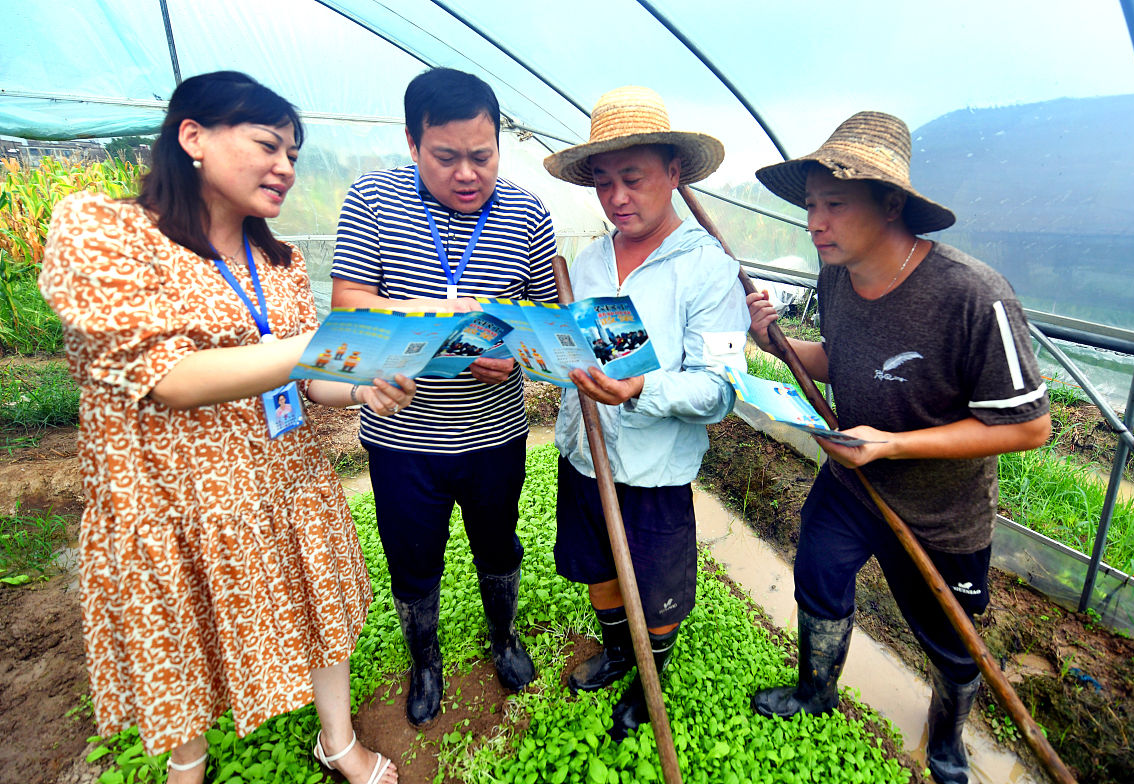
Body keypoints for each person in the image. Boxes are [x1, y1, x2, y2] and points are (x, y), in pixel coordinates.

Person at [38, 71, 411, 784]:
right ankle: (188, 766)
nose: (286, 168)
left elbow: (312, 379)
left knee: (321, 609)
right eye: (269, 144)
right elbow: (167, 378)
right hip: (171, 502)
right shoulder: (103, 231)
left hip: (287, 481)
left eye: (295, 155)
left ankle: (335, 740)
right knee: (179, 635)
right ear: (193, 137)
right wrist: (318, 349)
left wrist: (366, 384)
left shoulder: (279, 262)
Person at [745, 111, 1051, 784]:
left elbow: (1030, 426)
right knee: (819, 581)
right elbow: (842, 357)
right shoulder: (835, 274)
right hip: (852, 484)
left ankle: (946, 740)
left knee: (950, 637)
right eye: (810, 206)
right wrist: (778, 345)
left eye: (833, 206)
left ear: (890, 204)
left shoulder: (972, 295)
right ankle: (815, 691)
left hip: (942, 512)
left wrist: (894, 444)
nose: (813, 223)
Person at [331, 67, 556, 726]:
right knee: (413, 556)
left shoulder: (526, 212)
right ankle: (424, 659)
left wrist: (511, 350)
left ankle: (504, 638)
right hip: (403, 441)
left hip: (494, 434)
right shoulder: (372, 200)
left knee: (499, 545)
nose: (468, 173)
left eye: (482, 156)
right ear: (411, 141)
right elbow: (350, 307)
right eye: (446, 157)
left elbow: (541, 316)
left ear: (498, 144)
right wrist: (442, 314)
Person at [543, 86, 750, 740]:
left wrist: (640, 391)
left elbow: (720, 389)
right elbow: (589, 349)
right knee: (598, 569)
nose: (617, 198)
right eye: (603, 184)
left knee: (655, 590)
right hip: (586, 450)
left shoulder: (708, 271)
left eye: (632, 179)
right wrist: (536, 356)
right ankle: (615, 652)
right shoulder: (590, 260)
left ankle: (648, 675)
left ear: (674, 173)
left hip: (654, 469)